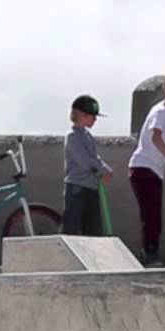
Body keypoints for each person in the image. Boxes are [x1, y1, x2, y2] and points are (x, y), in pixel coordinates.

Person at [127, 71, 165, 267]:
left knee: (156, 214)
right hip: (142, 166)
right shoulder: (159, 112)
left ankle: (151, 251)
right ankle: (149, 253)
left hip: (157, 170)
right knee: (151, 213)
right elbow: (156, 137)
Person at [62, 95, 112, 236]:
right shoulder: (72, 136)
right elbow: (83, 160)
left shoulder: (88, 136)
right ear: (82, 115)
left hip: (91, 186)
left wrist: (105, 168)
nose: (95, 120)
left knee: (93, 227)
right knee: (72, 226)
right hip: (77, 187)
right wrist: (101, 171)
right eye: (93, 116)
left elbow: (94, 157)